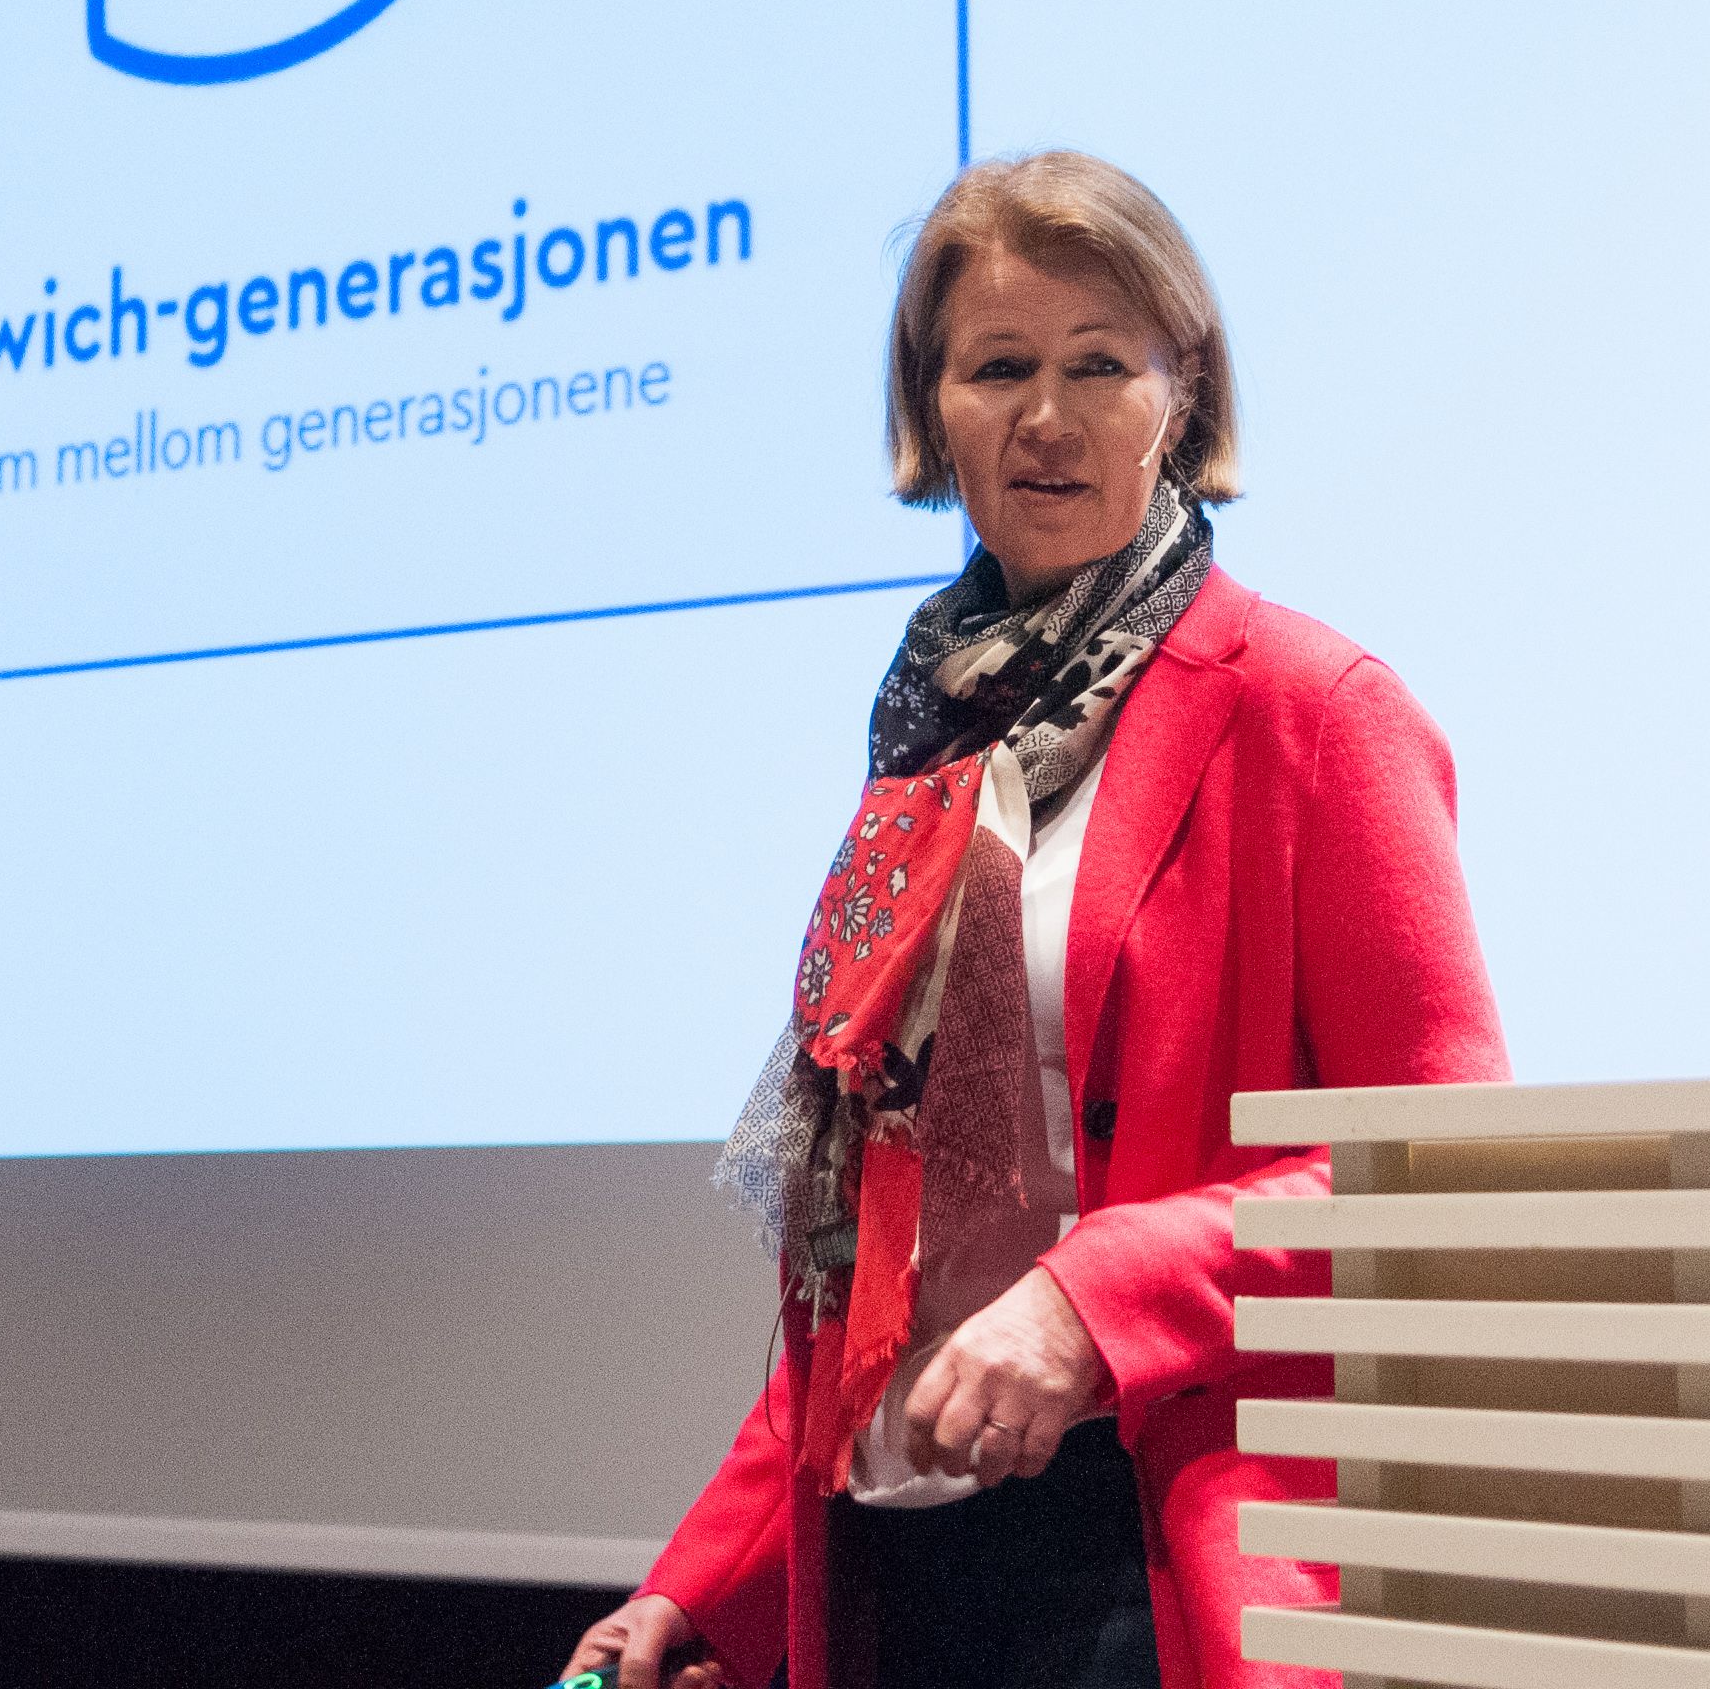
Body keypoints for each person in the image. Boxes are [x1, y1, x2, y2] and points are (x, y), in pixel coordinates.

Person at [560, 152, 1507, 1689]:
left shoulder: (1314, 711)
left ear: (1181, 398)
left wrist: (1096, 1299)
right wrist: (699, 1578)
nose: (1047, 418)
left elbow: (1443, 1170)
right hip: (902, 1567)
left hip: (1152, 1550)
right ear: (934, 413)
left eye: (1098, 366)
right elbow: (883, 1250)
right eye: (998, 368)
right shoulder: (931, 742)